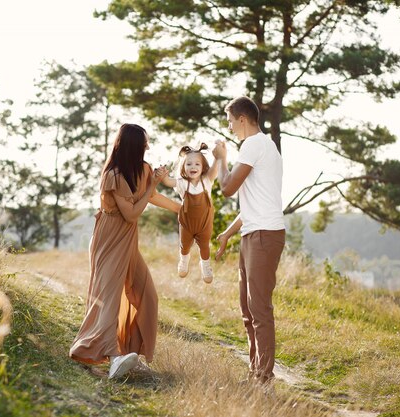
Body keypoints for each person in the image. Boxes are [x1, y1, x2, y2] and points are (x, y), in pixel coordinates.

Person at [69, 123, 180, 380]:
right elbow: (131, 214)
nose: (148, 147)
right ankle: (112, 356)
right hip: (109, 239)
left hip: (128, 241)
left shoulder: (143, 170)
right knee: (109, 298)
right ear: (133, 145)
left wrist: (182, 210)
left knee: (147, 294)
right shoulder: (114, 176)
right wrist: (152, 185)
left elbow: (150, 198)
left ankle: (132, 354)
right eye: (145, 143)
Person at [213, 96, 285, 386]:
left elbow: (228, 188)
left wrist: (221, 159)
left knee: (259, 309)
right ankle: (256, 370)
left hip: (264, 236)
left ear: (243, 119)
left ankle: (264, 378)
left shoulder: (253, 144)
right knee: (248, 307)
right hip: (253, 233)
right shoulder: (266, 147)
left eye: (230, 121)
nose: (229, 128)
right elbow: (254, 203)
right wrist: (228, 233)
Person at [160, 142, 220, 283]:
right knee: (185, 244)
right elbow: (168, 182)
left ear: (203, 167)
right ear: (183, 167)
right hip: (187, 223)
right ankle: (184, 260)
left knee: (204, 245)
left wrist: (218, 158)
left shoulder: (207, 181)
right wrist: (162, 176)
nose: (193, 167)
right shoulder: (182, 183)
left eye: (197, 164)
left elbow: (214, 171)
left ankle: (205, 265)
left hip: (204, 223)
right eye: (189, 164)